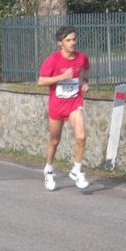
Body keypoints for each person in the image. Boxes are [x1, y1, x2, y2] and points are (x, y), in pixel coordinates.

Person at [37, 26, 91, 191]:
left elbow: (85, 70)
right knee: (55, 140)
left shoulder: (81, 58)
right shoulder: (52, 60)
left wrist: (84, 82)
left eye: (74, 39)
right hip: (57, 107)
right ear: (60, 43)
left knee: (81, 137)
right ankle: (49, 169)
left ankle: (76, 170)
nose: (72, 43)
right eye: (68, 40)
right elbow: (41, 81)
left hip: (74, 104)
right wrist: (61, 77)